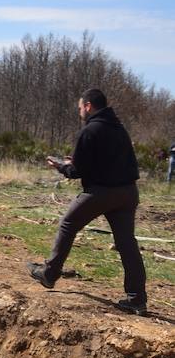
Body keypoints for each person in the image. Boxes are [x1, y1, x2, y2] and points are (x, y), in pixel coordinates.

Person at [28, 89, 147, 315]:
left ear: (89, 106)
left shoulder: (90, 130)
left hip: (101, 192)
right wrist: (78, 162)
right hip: (128, 192)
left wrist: (61, 166)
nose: (80, 111)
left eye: (80, 107)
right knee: (127, 244)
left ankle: (49, 274)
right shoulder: (119, 128)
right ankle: (137, 298)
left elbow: (77, 171)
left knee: (67, 224)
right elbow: (110, 161)